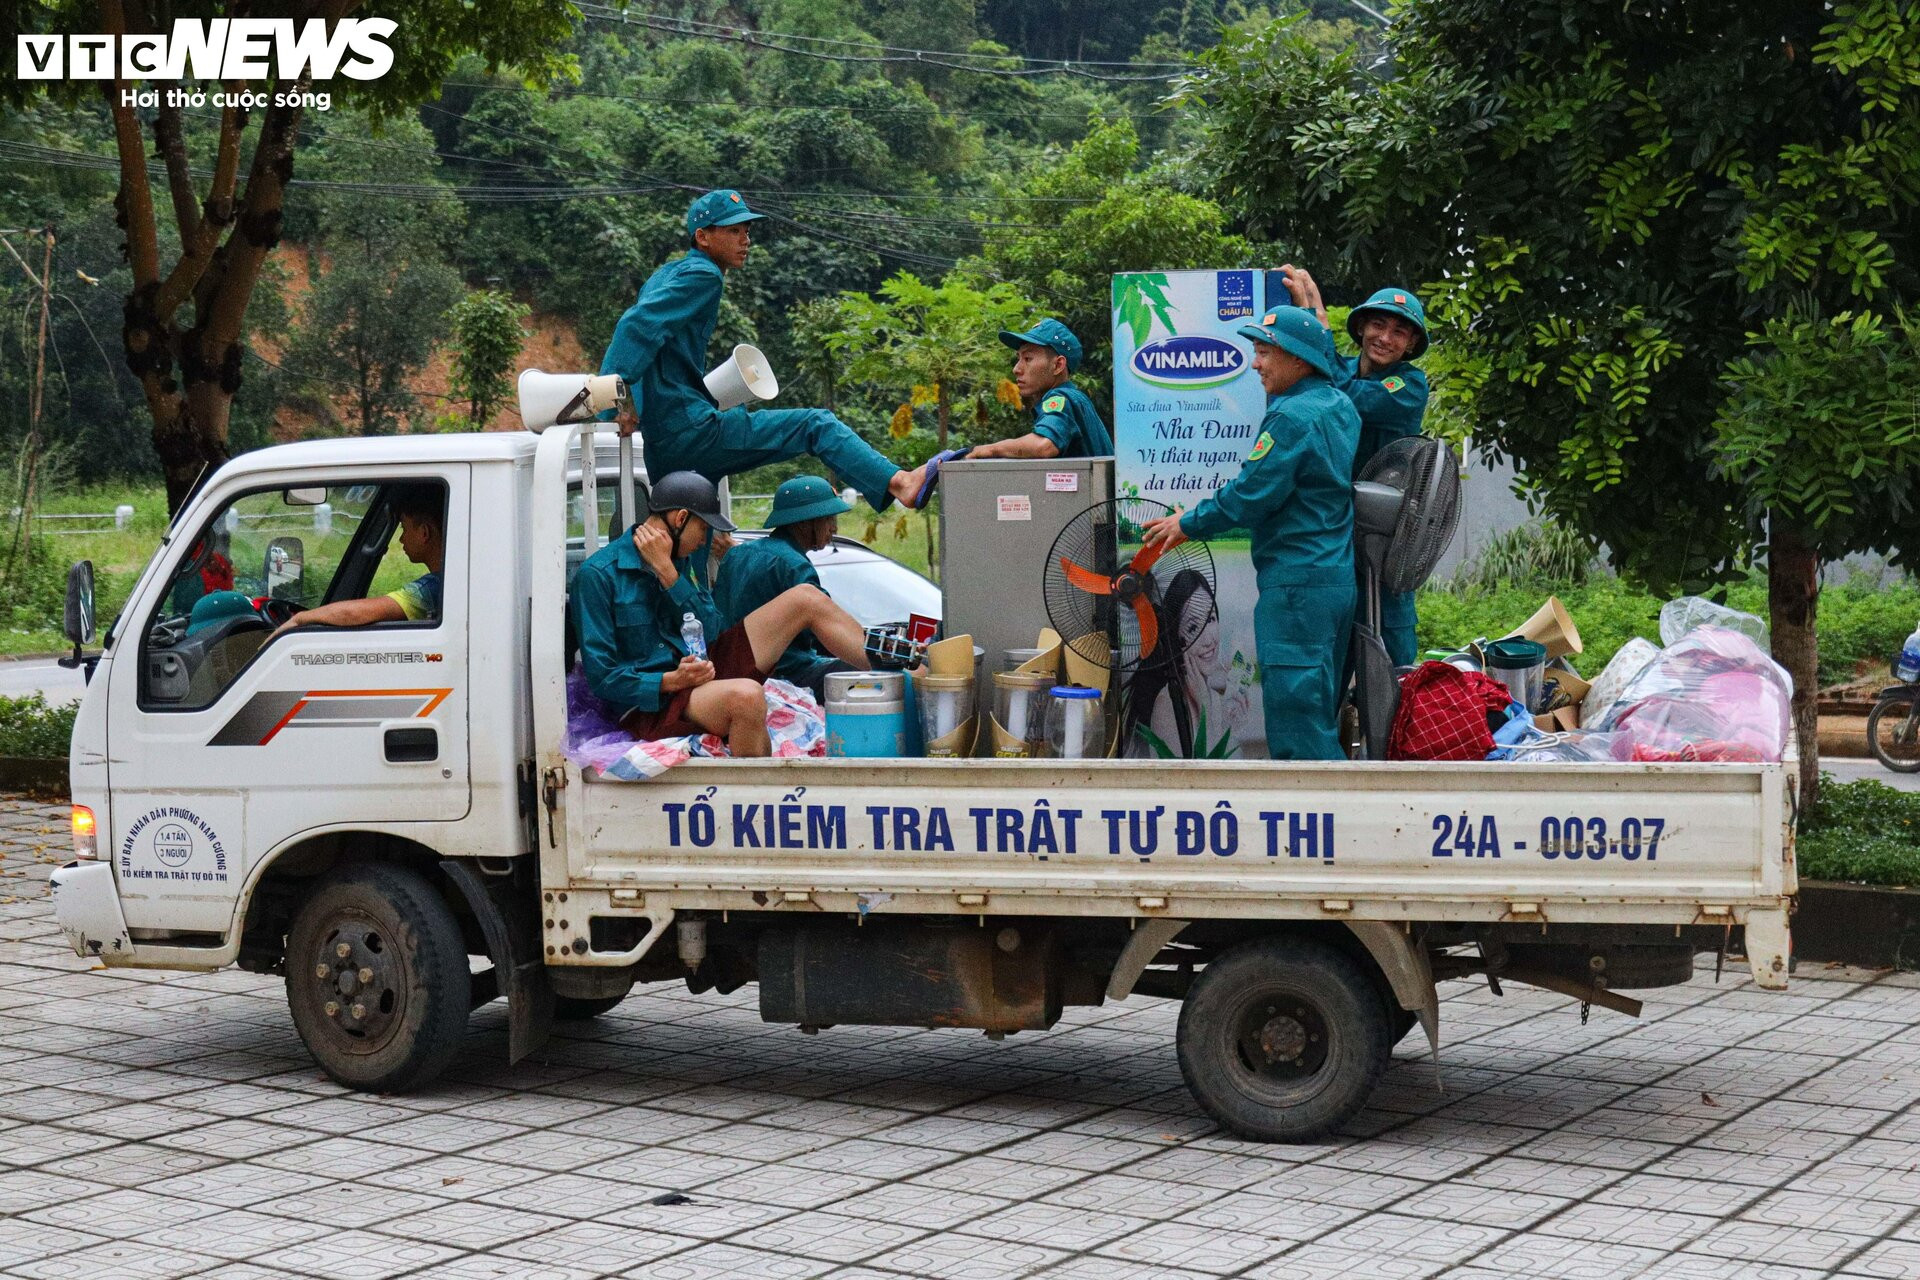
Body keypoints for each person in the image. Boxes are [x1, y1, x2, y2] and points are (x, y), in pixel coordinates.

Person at [600, 189, 935, 510]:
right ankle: (899, 482)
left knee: (692, 542)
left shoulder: (663, 276)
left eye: (746, 231)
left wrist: (630, 408)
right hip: (691, 432)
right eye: (733, 231)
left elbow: (649, 341)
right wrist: (603, 404)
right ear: (702, 237)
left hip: (662, 444)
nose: (745, 240)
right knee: (815, 425)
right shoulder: (705, 275)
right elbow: (636, 327)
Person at [1139, 307, 1359, 761]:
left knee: (1299, 727)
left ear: (1298, 358)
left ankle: (1313, 822)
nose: (1255, 364)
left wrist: (1186, 523)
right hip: (1334, 579)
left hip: (1295, 586)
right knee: (1319, 710)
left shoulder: (1291, 417)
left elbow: (1252, 494)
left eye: (1263, 352)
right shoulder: (1340, 406)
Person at [571, 470, 876, 757]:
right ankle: (764, 799)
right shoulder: (597, 576)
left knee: (805, 598)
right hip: (652, 703)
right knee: (746, 697)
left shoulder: (678, 559)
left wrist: (671, 578)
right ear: (680, 519)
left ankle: (889, 670)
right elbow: (603, 677)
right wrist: (671, 680)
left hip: (702, 670)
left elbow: (713, 628)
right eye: (703, 529)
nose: (705, 540)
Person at [1281, 268, 1431, 667]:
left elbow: (1347, 398)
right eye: (1378, 324)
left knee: (1393, 647)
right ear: (1362, 327)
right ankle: (1337, 724)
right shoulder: (1339, 368)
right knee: (1333, 642)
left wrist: (1319, 320)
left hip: (1387, 533)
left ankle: (1395, 724)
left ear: (1411, 342)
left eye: (1399, 332)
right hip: (1334, 525)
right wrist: (1315, 315)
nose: (1385, 337)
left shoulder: (1410, 385)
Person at [713, 474, 855, 699]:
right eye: (828, 519)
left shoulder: (736, 554)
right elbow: (827, 632)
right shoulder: (795, 566)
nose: (834, 529)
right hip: (786, 675)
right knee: (860, 673)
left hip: (729, 672)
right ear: (803, 521)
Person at [274, 484, 444, 634]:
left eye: (404, 529)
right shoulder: (449, 583)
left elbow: (353, 613)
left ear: (424, 533)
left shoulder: (433, 588)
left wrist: (300, 619)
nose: (401, 539)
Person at [1123, 569, 1254, 758]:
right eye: (1193, 627)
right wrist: (1205, 713)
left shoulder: (1217, 700)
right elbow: (1196, 780)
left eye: (1211, 619)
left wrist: (1232, 730)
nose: (1209, 639)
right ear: (1176, 639)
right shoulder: (1169, 703)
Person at [966, 318, 1114, 460]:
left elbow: (1043, 445)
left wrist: (988, 449)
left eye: (1028, 359)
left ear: (1058, 365)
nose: (1016, 369)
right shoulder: (1074, 398)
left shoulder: (1062, 397)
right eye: (1019, 358)